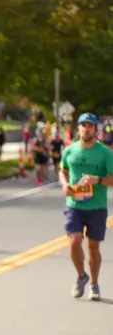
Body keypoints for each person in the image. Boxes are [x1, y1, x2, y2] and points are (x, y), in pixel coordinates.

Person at [60, 113, 113, 302]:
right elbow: (63, 170)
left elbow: (112, 178)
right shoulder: (70, 150)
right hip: (74, 205)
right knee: (74, 241)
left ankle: (94, 284)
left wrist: (97, 180)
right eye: (83, 125)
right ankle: (82, 276)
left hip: (96, 207)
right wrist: (65, 184)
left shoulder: (104, 152)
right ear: (78, 128)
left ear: (96, 129)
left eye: (90, 126)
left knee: (93, 246)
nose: (86, 129)